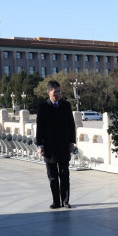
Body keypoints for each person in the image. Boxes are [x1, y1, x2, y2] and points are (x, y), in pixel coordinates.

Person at [36, 80, 76, 209]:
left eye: (59, 91)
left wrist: (72, 142)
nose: (57, 94)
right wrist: (40, 145)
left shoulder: (66, 105)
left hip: (64, 146)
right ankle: (56, 202)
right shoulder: (43, 107)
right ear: (48, 92)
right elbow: (40, 127)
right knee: (52, 176)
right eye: (55, 91)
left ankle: (65, 201)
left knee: (64, 174)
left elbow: (71, 125)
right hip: (49, 147)